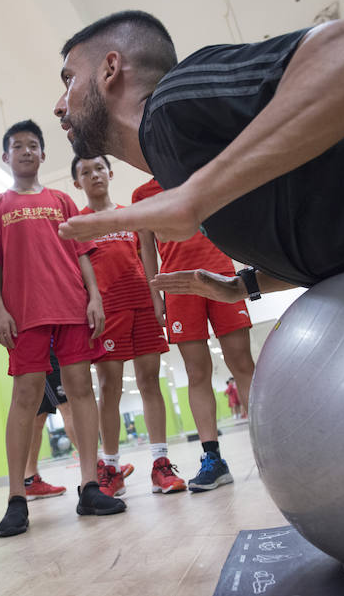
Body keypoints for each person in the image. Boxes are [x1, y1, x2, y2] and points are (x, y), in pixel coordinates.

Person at [53, 11, 344, 299]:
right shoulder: (177, 161)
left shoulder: (172, 102)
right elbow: (326, 223)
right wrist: (244, 285)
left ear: (111, 69)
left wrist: (195, 195)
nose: (59, 105)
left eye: (68, 79)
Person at [0, 119, 126, 537]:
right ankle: (15, 498)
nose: (26, 151)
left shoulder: (62, 200)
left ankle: (90, 486)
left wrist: (94, 296)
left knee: (81, 389)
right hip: (25, 313)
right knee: (25, 396)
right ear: (6, 157)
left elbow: (81, 255)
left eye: (33, 145)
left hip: (71, 306)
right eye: (17, 146)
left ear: (43, 154)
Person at [71, 155, 186, 496]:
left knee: (150, 380)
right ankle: (111, 466)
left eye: (99, 169)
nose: (94, 175)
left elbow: (143, 257)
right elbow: (79, 273)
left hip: (141, 305)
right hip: (109, 311)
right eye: (85, 172)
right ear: (77, 182)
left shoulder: (130, 215)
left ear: (110, 173)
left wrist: (156, 297)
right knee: (110, 389)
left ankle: (160, 464)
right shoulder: (78, 224)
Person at [131, 177, 253, 491]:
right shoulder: (142, 195)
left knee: (242, 362)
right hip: (176, 285)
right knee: (196, 372)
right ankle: (213, 458)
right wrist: (155, 296)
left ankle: (268, 446)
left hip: (221, 273)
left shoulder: (196, 169)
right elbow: (147, 250)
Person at [24, 351, 77, 500]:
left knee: (38, 418)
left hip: (46, 351)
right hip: (44, 351)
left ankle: (30, 480)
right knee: (68, 408)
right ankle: (97, 466)